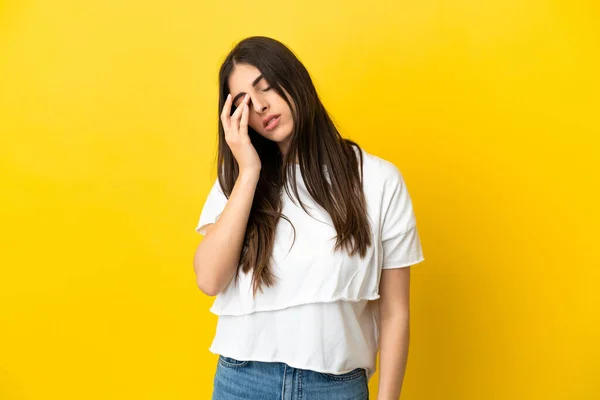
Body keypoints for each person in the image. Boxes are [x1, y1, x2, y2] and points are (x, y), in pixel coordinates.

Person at [193, 36, 425, 400]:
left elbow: (395, 313)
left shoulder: (377, 180)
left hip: (336, 387)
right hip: (243, 383)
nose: (261, 107)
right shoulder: (238, 182)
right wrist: (249, 172)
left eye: (266, 87)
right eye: (244, 104)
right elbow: (209, 279)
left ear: (294, 79)